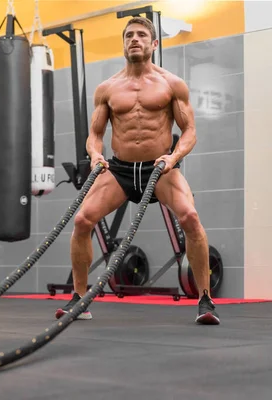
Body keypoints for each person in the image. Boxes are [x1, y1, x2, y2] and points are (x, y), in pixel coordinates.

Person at [54, 16, 220, 325]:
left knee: (191, 218)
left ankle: (205, 300)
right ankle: (79, 299)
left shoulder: (171, 84)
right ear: (123, 43)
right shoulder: (108, 88)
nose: (134, 39)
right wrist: (94, 155)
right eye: (129, 35)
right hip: (119, 170)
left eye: (142, 35)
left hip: (160, 167)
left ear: (154, 44)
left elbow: (190, 132)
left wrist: (174, 157)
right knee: (82, 220)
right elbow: (95, 135)